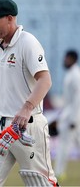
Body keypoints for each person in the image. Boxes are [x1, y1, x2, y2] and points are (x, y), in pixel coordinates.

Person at [0, 0, 59, 186]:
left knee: (40, 182)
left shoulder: (28, 42)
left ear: (9, 18)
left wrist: (26, 108)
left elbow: (45, 80)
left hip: (27, 125)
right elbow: (5, 84)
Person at [54, 50, 80, 181]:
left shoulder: (75, 75)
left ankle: (58, 172)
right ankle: (58, 171)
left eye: (67, 58)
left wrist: (73, 119)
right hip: (69, 115)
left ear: (73, 59)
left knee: (64, 145)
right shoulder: (71, 74)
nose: (65, 60)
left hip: (73, 117)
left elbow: (77, 98)